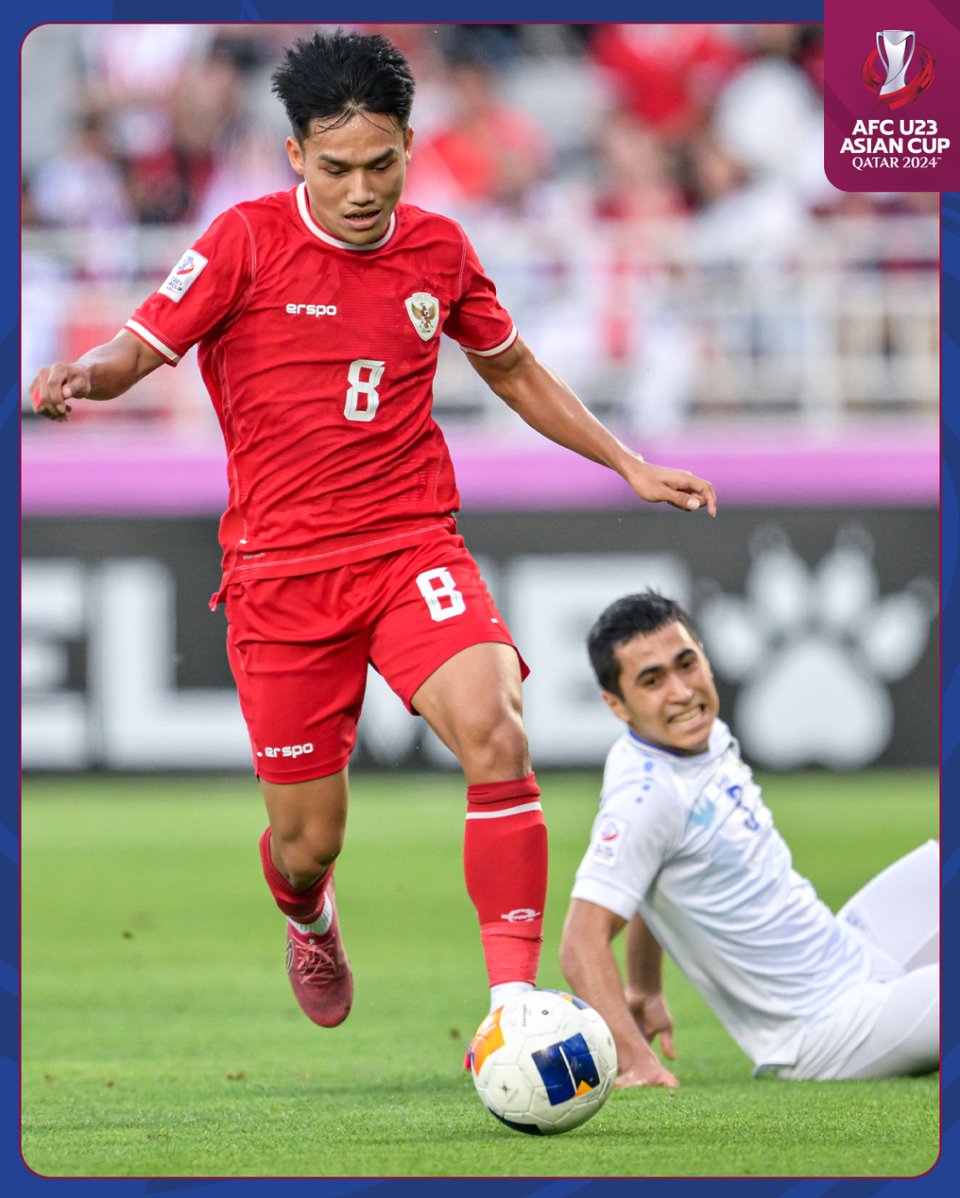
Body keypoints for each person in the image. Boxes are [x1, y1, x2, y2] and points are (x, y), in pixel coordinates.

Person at [29, 30, 717, 1040]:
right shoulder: (243, 241)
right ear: (297, 155)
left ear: (409, 145)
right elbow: (139, 348)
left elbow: (515, 369)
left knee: (496, 725)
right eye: (339, 166)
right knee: (307, 844)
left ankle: (514, 1005)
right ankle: (309, 916)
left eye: (382, 164)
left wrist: (628, 464)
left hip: (408, 545)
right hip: (281, 575)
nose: (362, 190)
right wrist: (84, 375)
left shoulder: (439, 250)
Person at [559, 591, 938, 1087]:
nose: (681, 692)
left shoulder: (700, 734)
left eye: (686, 664)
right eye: (652, 681)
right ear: (616, 705)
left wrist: (645, 986)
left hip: (849, 951)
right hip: (823, 1030)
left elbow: (649, 874)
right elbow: (579, 941)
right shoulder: (647, 798)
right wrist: (634, 1057)